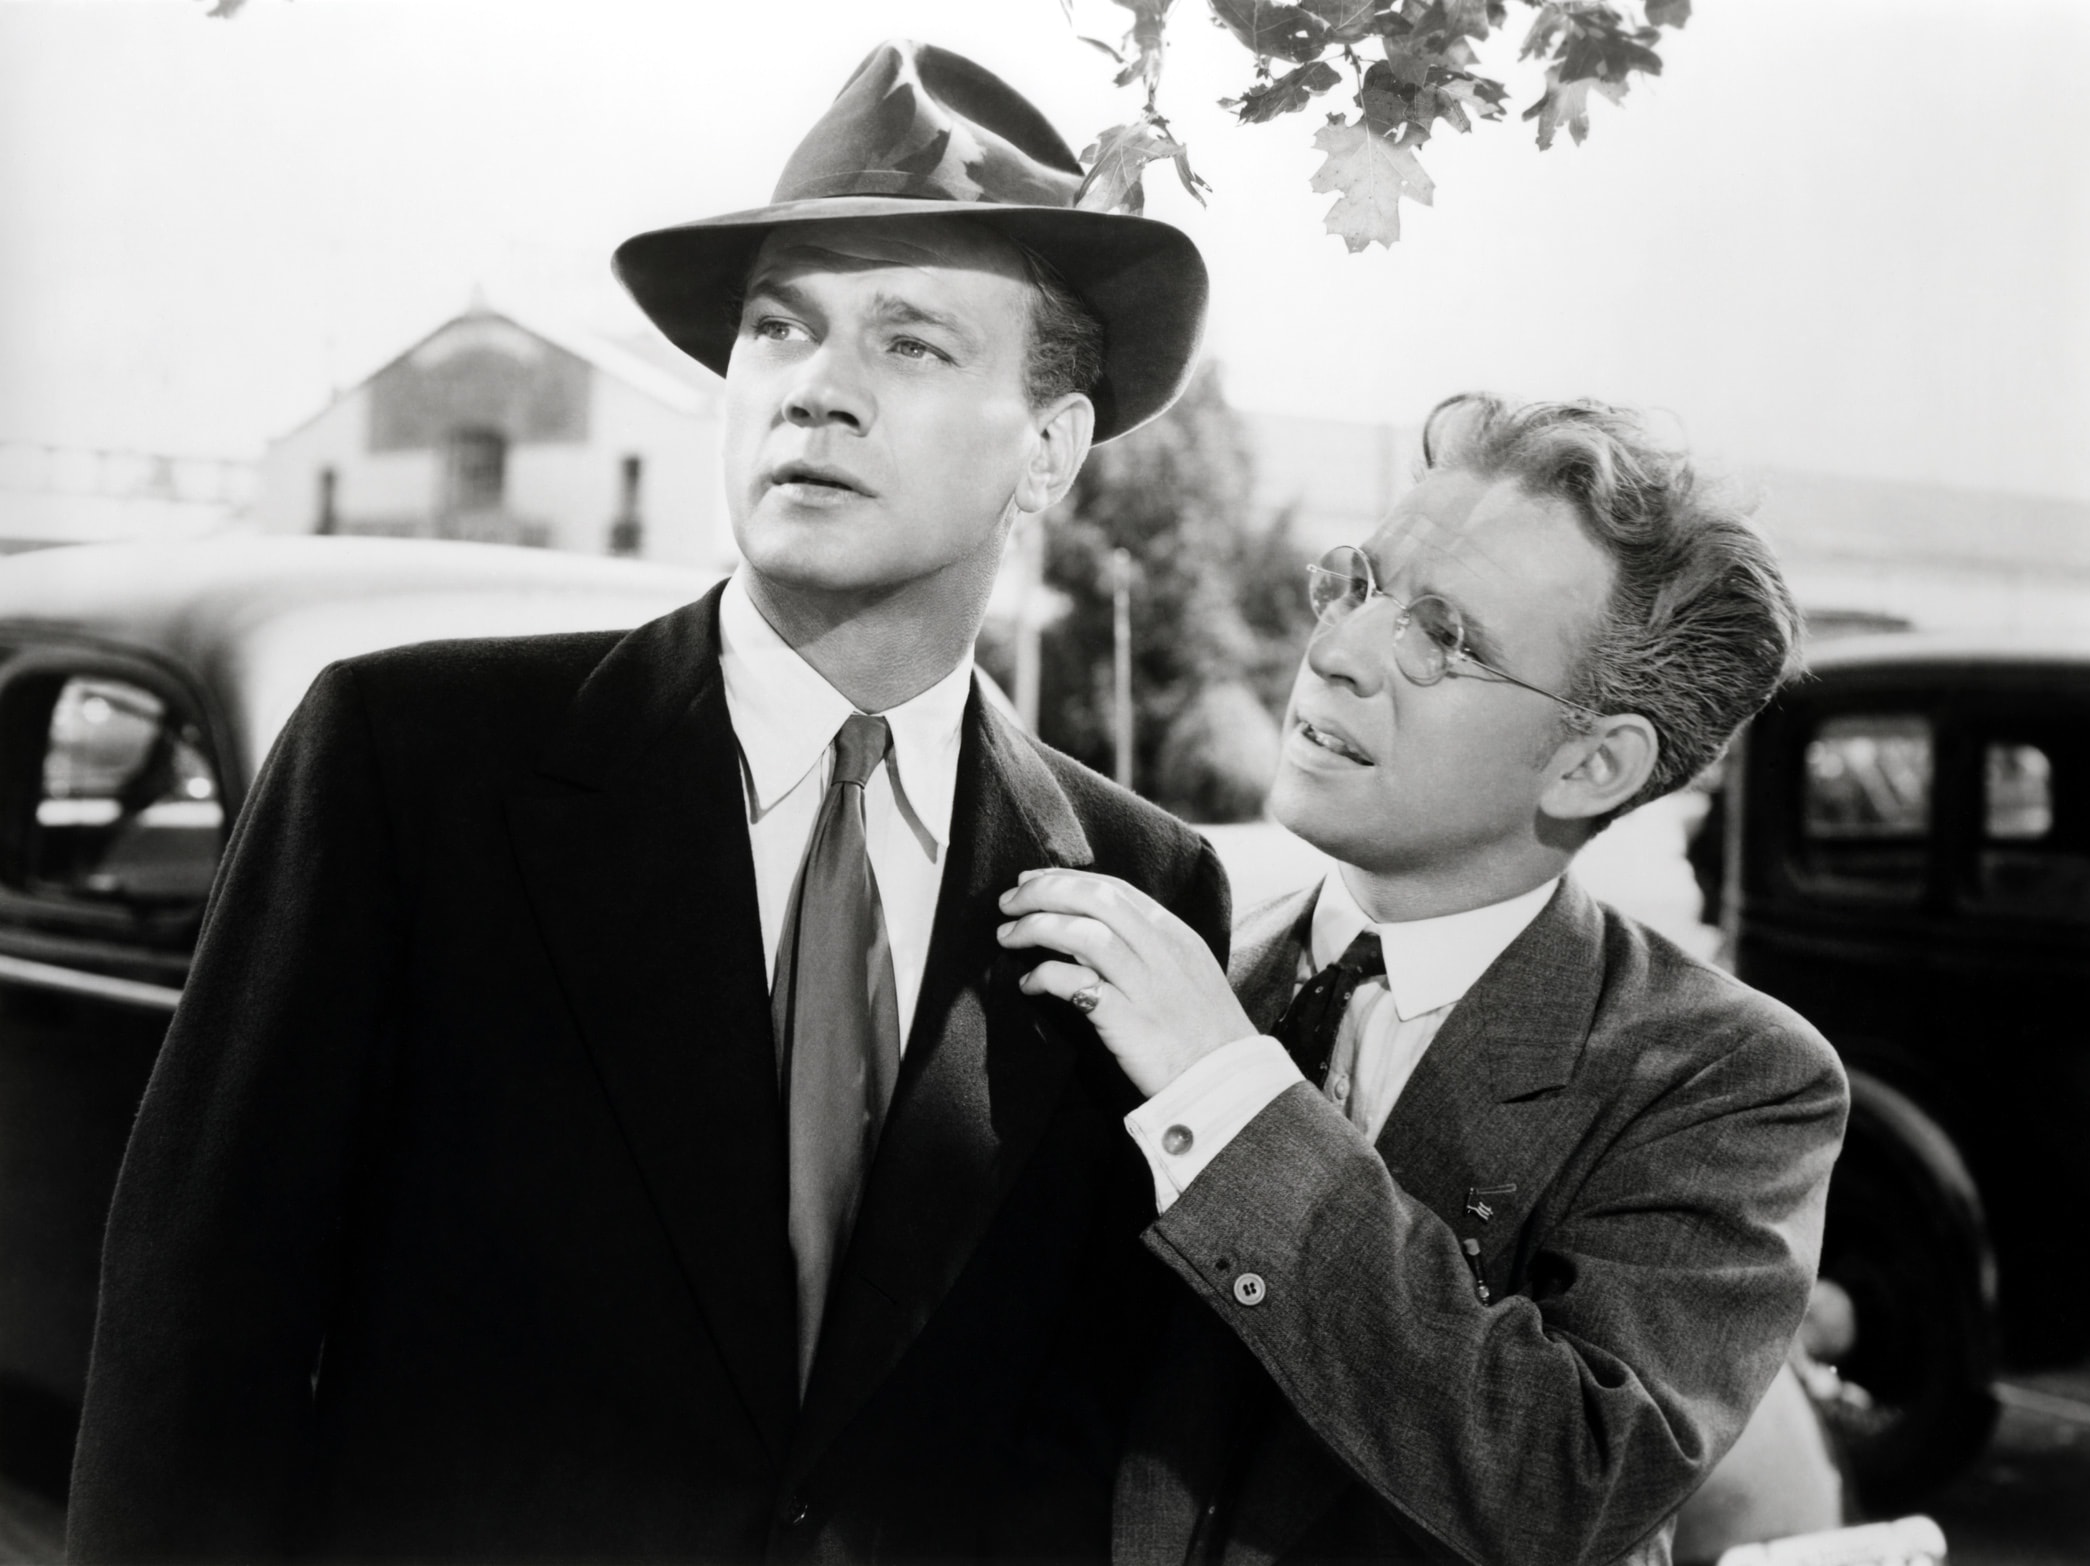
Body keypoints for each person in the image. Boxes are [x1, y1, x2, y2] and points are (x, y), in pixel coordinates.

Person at [67, 41, 1226, 1564]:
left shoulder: (1139, 882)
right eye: (778, 327)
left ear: (1051, 450)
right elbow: (194, 1353)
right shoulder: (410, 762)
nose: (816, 390)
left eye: (912, 343)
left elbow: (1086, 1428)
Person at [997, 394, 1850, 1566]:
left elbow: (1565, 1485)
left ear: (1592, 764)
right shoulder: (1190, 973)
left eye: (1443, 636)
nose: (1335, 653)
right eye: (1357, 585)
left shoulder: (1725, 1081)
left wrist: (1230, 1100)